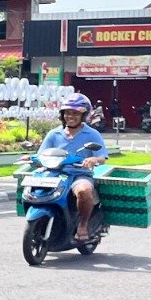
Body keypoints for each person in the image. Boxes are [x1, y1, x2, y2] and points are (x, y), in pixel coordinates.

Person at [38, 92, 109, 244]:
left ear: (83, 116)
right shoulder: (54, 134)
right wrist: (30, 158)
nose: (71, 116)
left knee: (84, 190)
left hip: (79, 175)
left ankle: (83, 225)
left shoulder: (92, 134)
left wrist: (93, 159)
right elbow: (41, 154)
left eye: (75, 113)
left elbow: (103, 157)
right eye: (67, 113)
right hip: (55, 174)